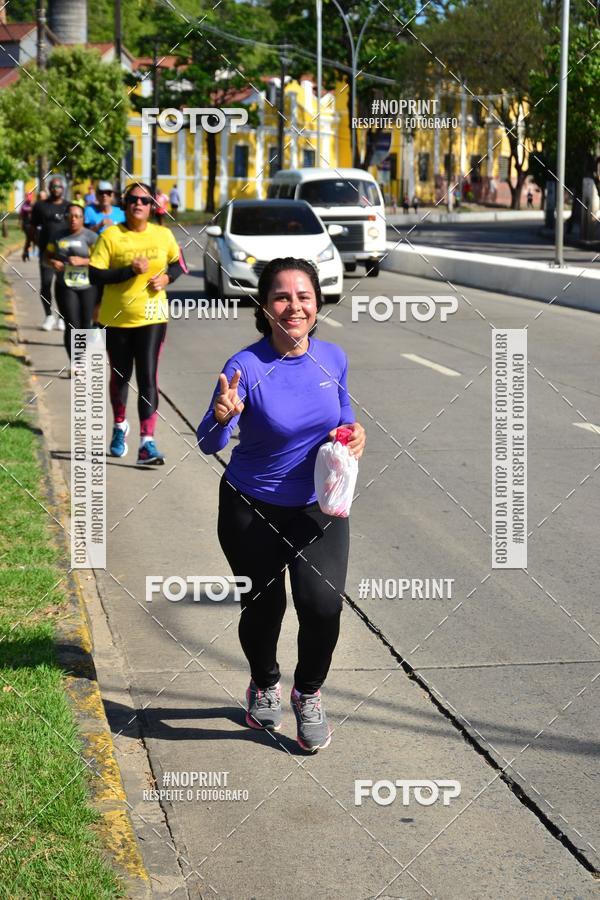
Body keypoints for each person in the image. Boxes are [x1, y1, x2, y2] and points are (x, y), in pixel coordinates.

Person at [196, 257, 366, 753]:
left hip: (319, 505)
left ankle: (307, 693)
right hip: (251, 507)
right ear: (265, 306)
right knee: (264, 605)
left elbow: (345, 411)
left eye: (303, 296)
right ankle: (264, 681)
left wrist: (355, 434)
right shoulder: (245, 366)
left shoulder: (332, 358)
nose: (294, 306)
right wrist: (223, 416)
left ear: (317, 304)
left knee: (323, 606)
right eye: (281, 297)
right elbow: (210, 441)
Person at [88, 182, 184, 465]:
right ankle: (119, 427)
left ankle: (147, 443)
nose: (138, 204)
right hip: (115, 319)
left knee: (147, 377)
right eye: (132, 199)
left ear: (152, 205)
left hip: (152, 317)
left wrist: (167, 278)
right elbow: (95, 276)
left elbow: (179, 264)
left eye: (144, 200)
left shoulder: (163, 234)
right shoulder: (111, 236)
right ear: (124, 203)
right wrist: (129, 271)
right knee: (120, 378)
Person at [45, 204, 97, 373]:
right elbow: (46, 257)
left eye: (77, 216)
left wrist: (82, 262)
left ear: (83, 219)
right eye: (70, 216)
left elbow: (102, 261)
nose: (73, 219)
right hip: (65, 285)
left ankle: (82, 356)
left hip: (88, 286)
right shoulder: (57, 237)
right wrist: (53, 262)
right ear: (66, 218)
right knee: (72, 324)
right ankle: (76, 362)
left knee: (85, 324)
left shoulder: (91, 237)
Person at [27, 176, 70, 331]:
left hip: (65, 255)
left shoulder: (68, 207)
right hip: (46, 254)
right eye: (53, 186)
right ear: (49, 188)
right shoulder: (40, 206)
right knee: (46, 284)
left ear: (63, 189)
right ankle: (48, 316)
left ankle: (62, 318)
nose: (55, 189)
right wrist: (27, 247)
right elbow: (32, 228)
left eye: (58, 187)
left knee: (64, 286)